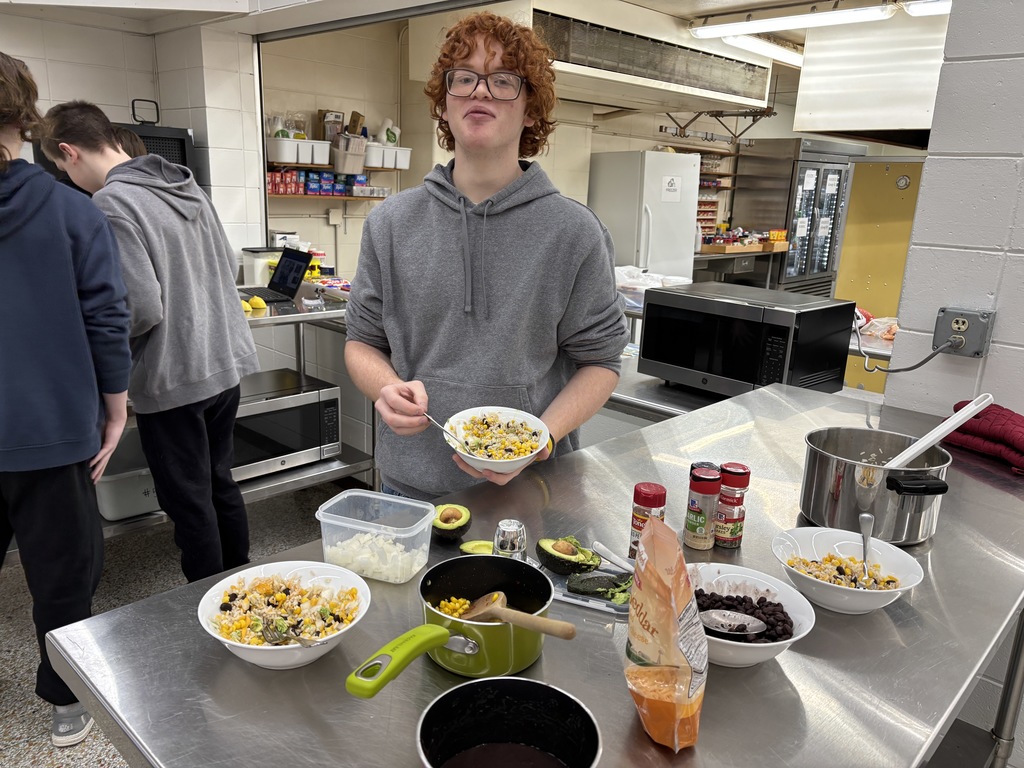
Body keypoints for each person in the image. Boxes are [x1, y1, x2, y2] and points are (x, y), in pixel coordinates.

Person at [344, 11, 628, 500]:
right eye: (465, 78)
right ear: (444, 103)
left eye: (502, 80)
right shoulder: (390, 223)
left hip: (533, 486)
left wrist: (540, 440)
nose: (480, 91)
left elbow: (601, 362)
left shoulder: (574, 231)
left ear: (532, 110)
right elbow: (361, 342)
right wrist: (383, 388)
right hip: (409, 485)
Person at [40, 101, 260, 583]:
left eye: (60, 167)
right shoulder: (185, 184)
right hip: (224, 365)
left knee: (188, 499)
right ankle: (241, 582)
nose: (65, 176)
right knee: (219, 478)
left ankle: (209, 605)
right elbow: (225, 262)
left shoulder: (112, 203)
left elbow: (140, 308)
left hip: (175, 374)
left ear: (68, 152)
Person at [0, 52, 131, 747]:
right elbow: (105, 318)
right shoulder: (68, 211)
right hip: (53, 429)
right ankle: (64, 699)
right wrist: (116, 407)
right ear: (27, 119)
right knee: (63, 571)